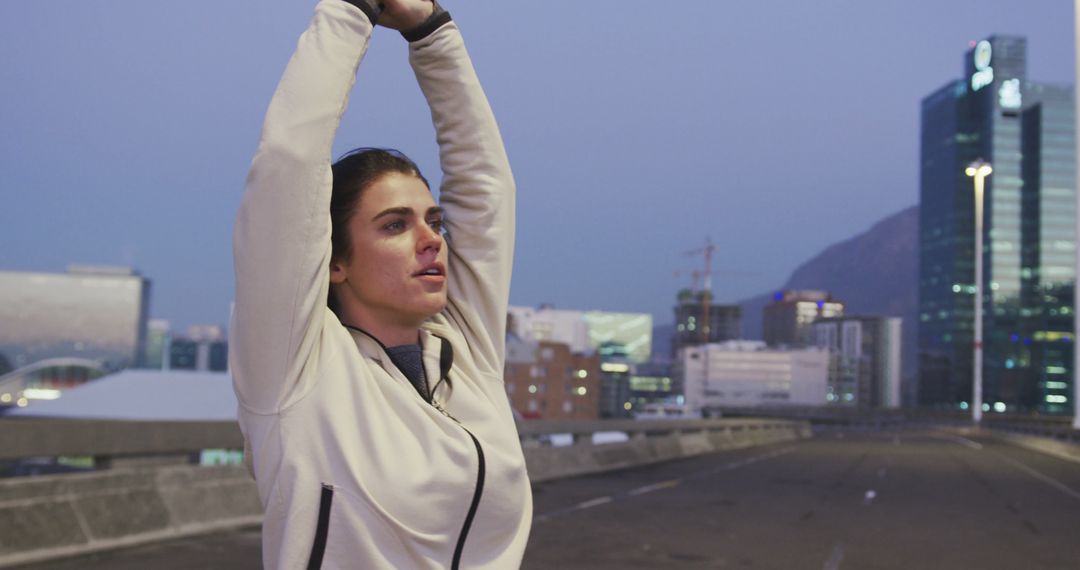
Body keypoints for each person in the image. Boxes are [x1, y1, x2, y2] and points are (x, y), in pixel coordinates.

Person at [230, 0, 532, 568]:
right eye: (395, 224)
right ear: (333, 261)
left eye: (434, 221)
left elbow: (487, 191)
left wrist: (431, 28)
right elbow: (287, 165)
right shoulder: (294, 370)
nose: (431, 239)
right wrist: (351, 11)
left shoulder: (467, 353)